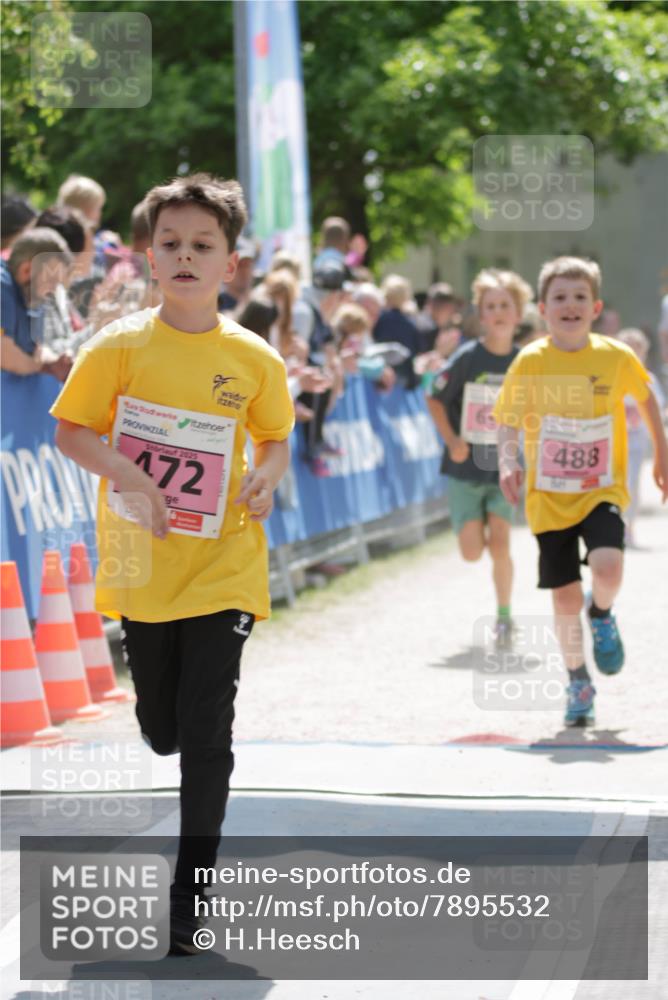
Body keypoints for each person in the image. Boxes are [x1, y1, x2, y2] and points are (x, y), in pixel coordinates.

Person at [50, 173, 294, 954]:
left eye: (203, 245)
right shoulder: (118, 346)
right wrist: (132, 476)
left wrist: (265, 475)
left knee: (208, 732)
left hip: (225, 564)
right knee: (162, 728)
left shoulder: (254, 359)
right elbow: (73, 432)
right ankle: (161, 721)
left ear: (232, 264)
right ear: (150, 257)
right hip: (144, 566)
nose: (186, 257)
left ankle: (191, 902)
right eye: (172, 244)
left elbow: (277, 439)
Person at [494, 257, 668, 727]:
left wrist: (663, 454)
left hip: (600, 487)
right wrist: (508, 460)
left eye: (578, 297)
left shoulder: (614, 356)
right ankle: (578, 680)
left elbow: (647, 397)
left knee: (609, 566)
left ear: (595, 307)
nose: (569, 305)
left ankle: (604, 612)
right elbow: (507, 420)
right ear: (544, 309)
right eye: (559, 297)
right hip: (548, 498)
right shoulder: (530, 362)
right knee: (564, 597)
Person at [427, 268, 532, 645]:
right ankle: (478, 531)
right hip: (464, 467)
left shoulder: (526, 362)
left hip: (502, 468)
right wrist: (453, 439)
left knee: (501, 543)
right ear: (481, 314)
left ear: (519, 314)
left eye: (506, 305)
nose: (499, 312)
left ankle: (504, 617)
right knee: (472, 552)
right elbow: (434, 398)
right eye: (491, 306)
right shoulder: (467, 358)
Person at [0, 227, 72, 380]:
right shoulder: (2, 285)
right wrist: (37, 365)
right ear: (26, 270)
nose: (53, 291)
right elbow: (4, 354)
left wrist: (54, 362)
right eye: (51, 281)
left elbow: (35, 349)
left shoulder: (33, 292)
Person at [616, 327, 666, 547]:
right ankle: (614, 525)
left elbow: (659, 406)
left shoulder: (649, 379)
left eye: (637, 349)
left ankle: (629, 527)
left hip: (636, 440)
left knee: (632, 483)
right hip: (614, 439)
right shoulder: (613, 376)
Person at [374, 274, 421, 389]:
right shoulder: (410, 323)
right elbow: (415, 349)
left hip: (380, 375)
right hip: (402, 376)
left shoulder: (379, 319)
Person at [218, 235, 256, 313]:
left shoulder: (261, 306)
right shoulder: (216, 307)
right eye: (239, 265)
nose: (244, 271)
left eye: (247, 265)